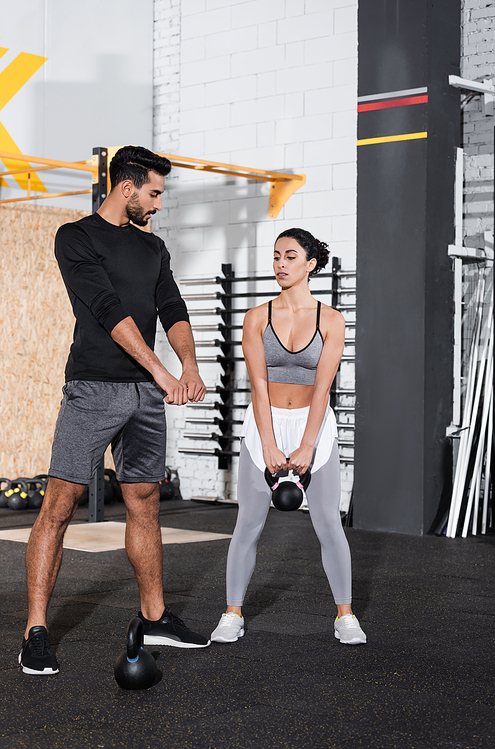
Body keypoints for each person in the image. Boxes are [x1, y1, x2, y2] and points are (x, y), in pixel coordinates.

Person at [19, 145, 210, 676]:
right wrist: (162, 371)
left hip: (145, 396)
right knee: (60, 503)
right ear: (126, 187)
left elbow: (171, 306)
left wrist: (188, 365)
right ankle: (35, 631)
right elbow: (107, 310)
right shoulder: (75, 238)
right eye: (154, 193)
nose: (158, 203)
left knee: (145, 500)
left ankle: (154, 617)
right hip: (93, 387)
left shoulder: (154, 248)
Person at [211, 228, 366, 646]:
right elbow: (257, 385)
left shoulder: (331, 320)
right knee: (248, 524)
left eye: (290, 256)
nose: (280, 264)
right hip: (265, 423)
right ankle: (232, 613)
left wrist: (307, 445)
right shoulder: (256, 318)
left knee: (328, 523)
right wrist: (268, 443)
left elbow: (323, 388)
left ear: (310, 264)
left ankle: (345, 615)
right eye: (276, 256)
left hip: (314, 427)